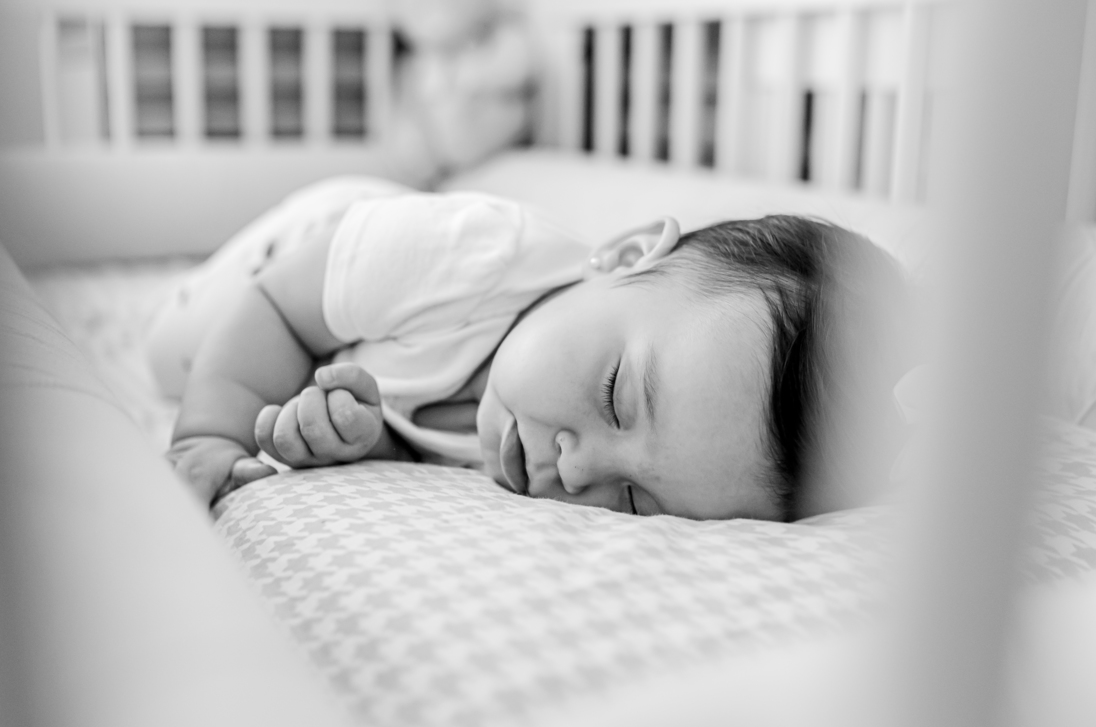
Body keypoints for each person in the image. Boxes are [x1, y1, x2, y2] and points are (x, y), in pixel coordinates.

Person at [149, 176, 908, 521]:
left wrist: (356, 434)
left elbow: (412, 426)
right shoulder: (463, 255)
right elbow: (279, 311)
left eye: (635, 500)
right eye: (616, 394)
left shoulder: (534, 430)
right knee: (172, 346)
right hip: (313, 252)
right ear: (624, 254)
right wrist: (212, 432)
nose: (579, 470)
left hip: (355, 336)